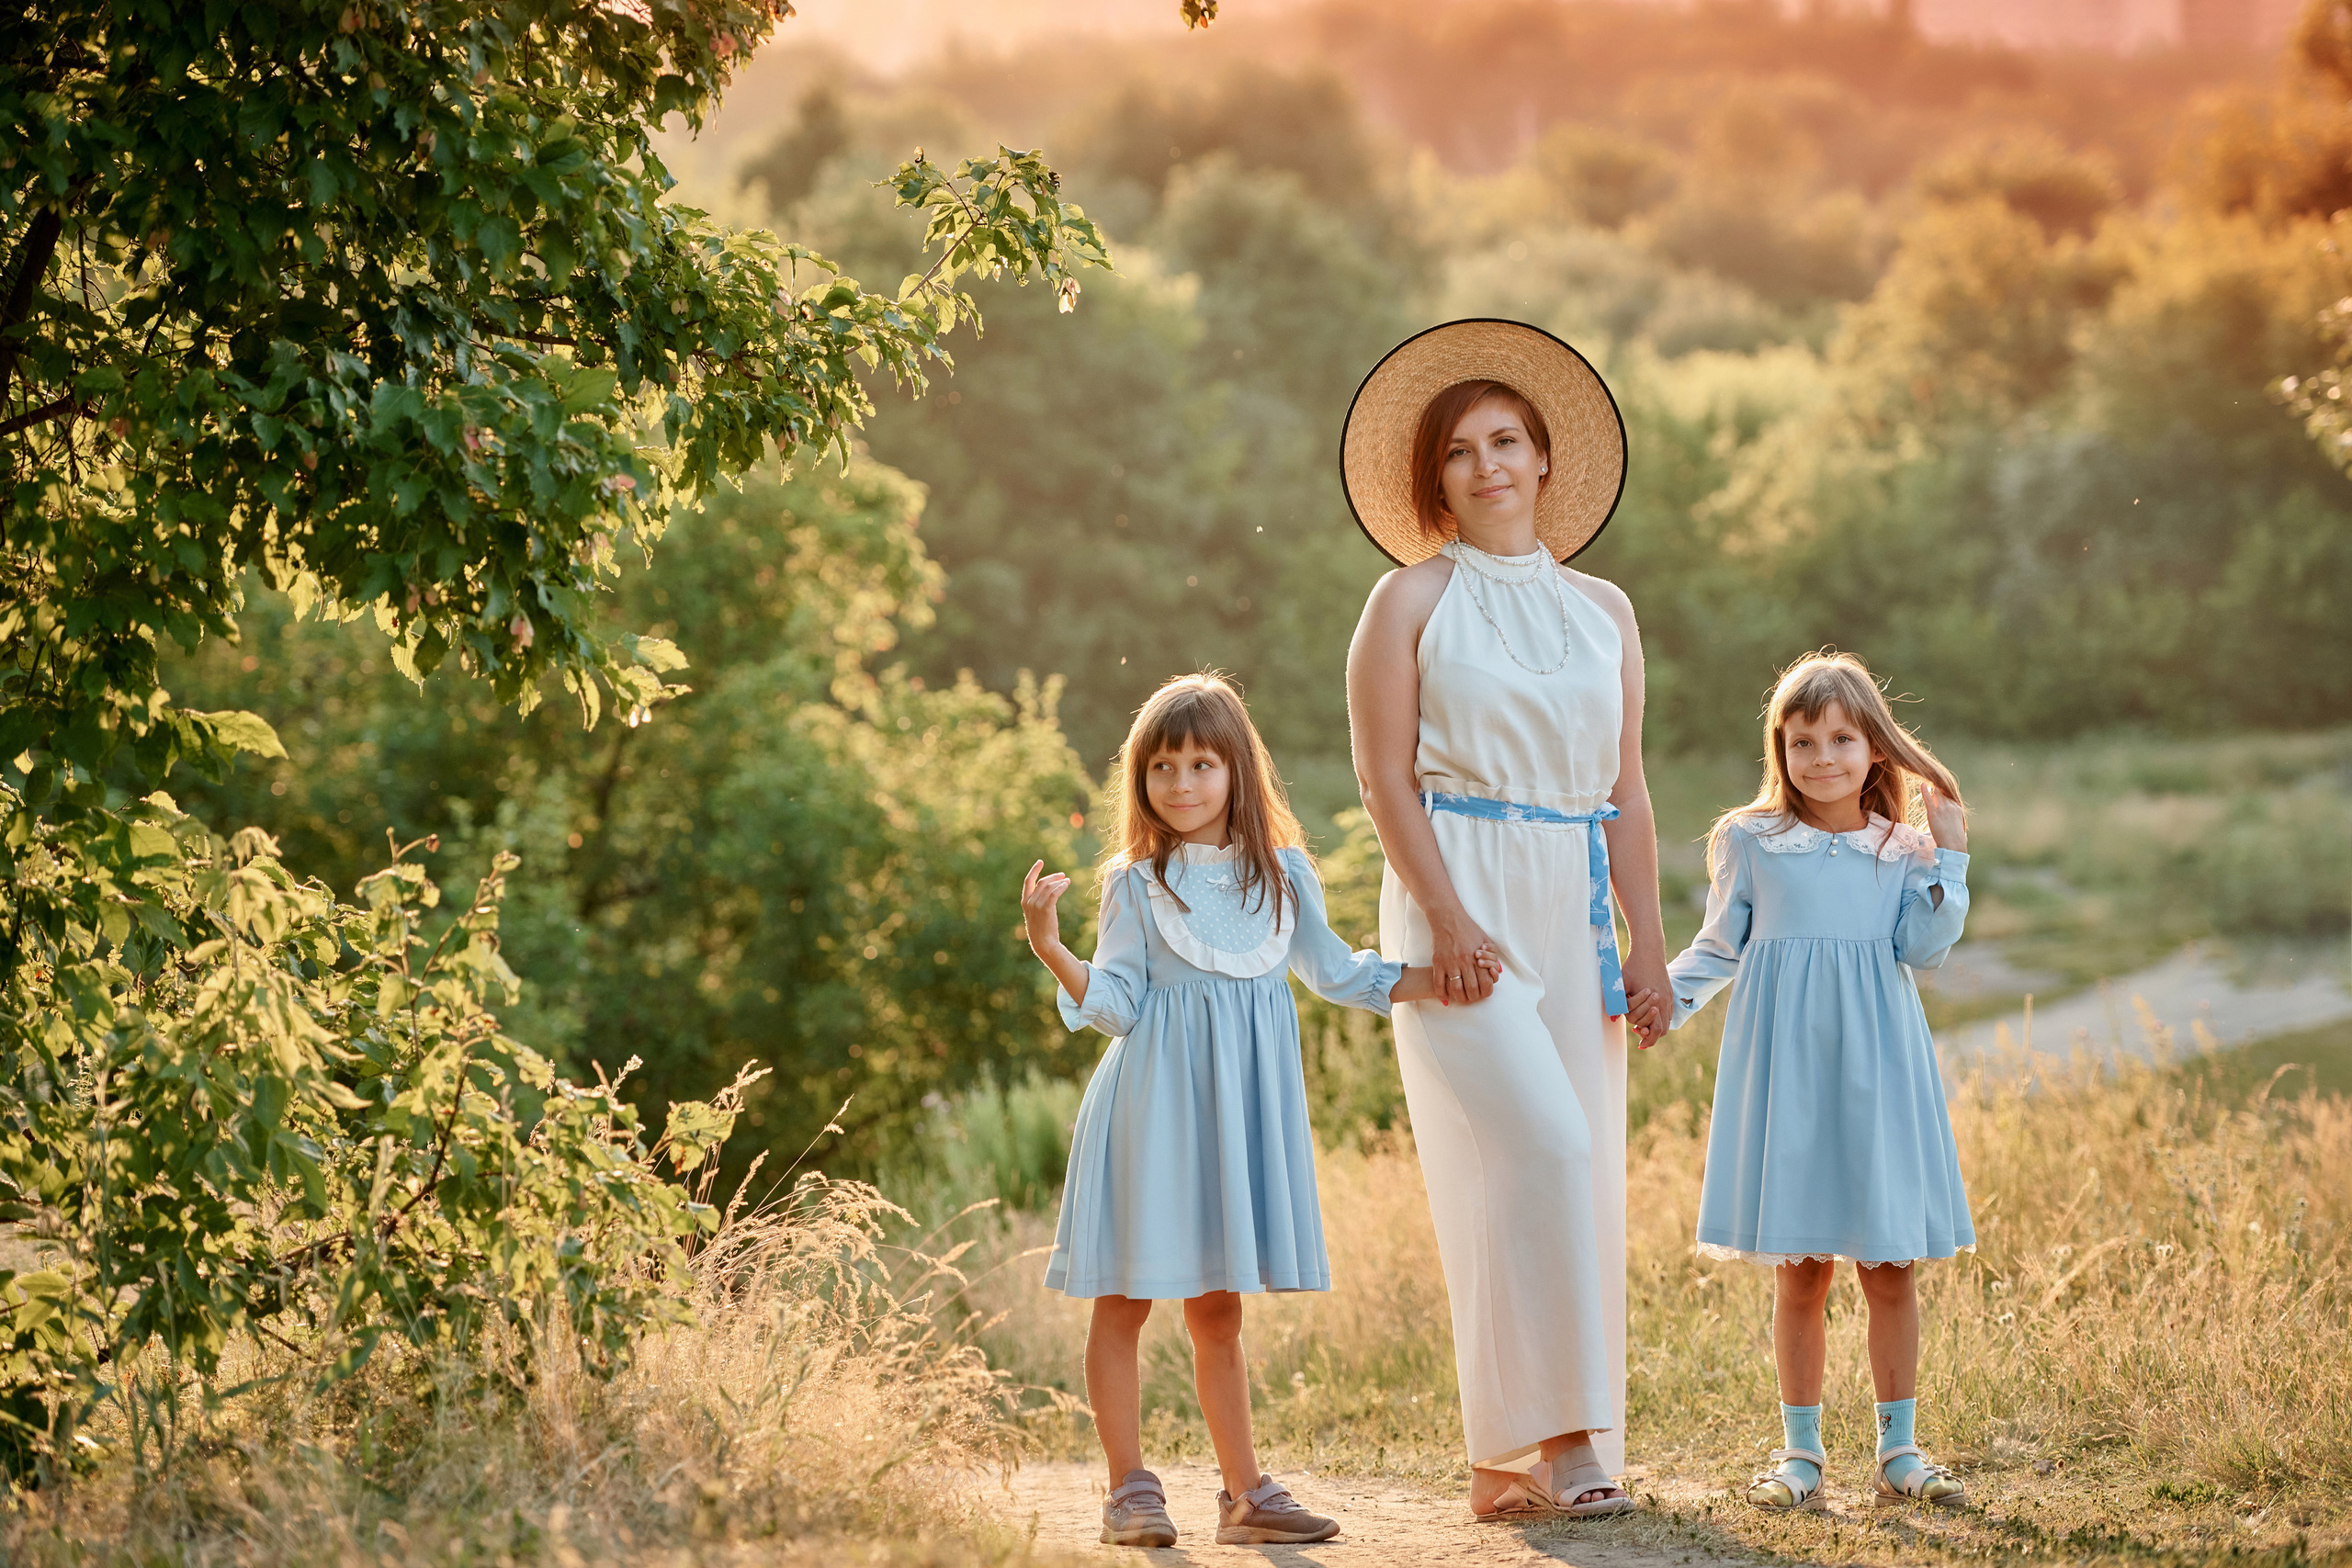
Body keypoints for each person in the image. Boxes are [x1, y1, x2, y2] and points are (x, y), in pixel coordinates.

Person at [1022, 671, 1497, 1548]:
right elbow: (1119, 1003)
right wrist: (1055, 950)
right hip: (1150, 1116)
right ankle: (1128, 1489)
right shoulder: (1136, 882)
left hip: (1234, 1116)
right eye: (1162, 766)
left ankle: (1243, 1495)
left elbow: (1338, 972)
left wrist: (1441, 977)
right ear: (1141, 780)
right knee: (1123, 1302)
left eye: (1202, 762)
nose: (1182, 783)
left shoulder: (1283, 874)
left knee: (1219, 1309)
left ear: (1238, 769)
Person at [1342, 320, 1671, 1521]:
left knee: (1548, 1172)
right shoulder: (1407, 598)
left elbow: (1628, 789)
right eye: (1460, 451)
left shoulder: (1607, 611)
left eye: (1506, 442)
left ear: (1544, 460)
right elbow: (1383, 776)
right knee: (1541, 1143)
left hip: (1572, 885)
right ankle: (1573, 1437)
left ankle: (1499, 1459)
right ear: (1435, 479)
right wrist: (1445, 917)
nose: (1487, 465)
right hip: (1458, 885)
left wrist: (1647, 943)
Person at [1662, 650, 1975, 1511]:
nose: (1823, 756)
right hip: (1788, 1070)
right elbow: (1719, 946)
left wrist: (1950, 859)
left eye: (1842, 737)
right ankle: (1800, 1453)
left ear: (1876, 747)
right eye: (1803, 740)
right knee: (1800, 1268)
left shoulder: (1901, 849)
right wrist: (1658, 1001)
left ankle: (1899, 1448)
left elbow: (1923, 949)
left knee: (1890, 1264)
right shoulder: (1752, 840)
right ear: (1782, 749)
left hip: (1878, 1065)